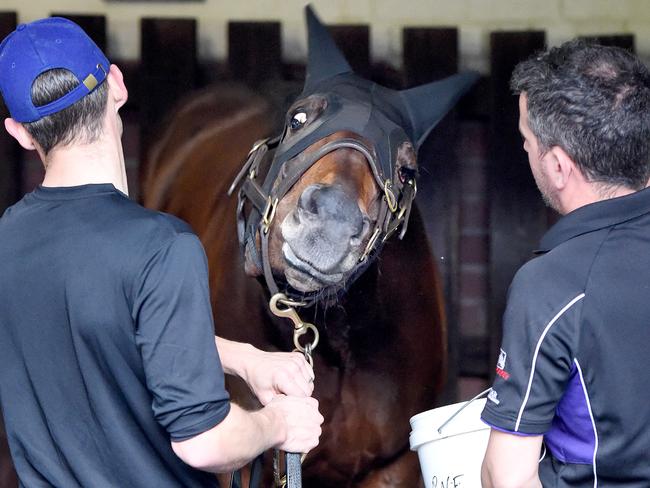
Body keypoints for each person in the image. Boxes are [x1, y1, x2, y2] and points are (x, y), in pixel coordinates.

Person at [0, 17, 323, 487]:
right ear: (116, 84)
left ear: (21, 134)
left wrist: (243, 358)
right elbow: (204, 440)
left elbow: (108, 336)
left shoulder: (7, 241)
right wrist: (280, 423)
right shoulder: (161, 248)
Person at [480, 39, 650, 487]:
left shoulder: (552, 284)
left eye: (527, 141)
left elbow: (507, 476)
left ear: (558, 166)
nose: (525, 151)